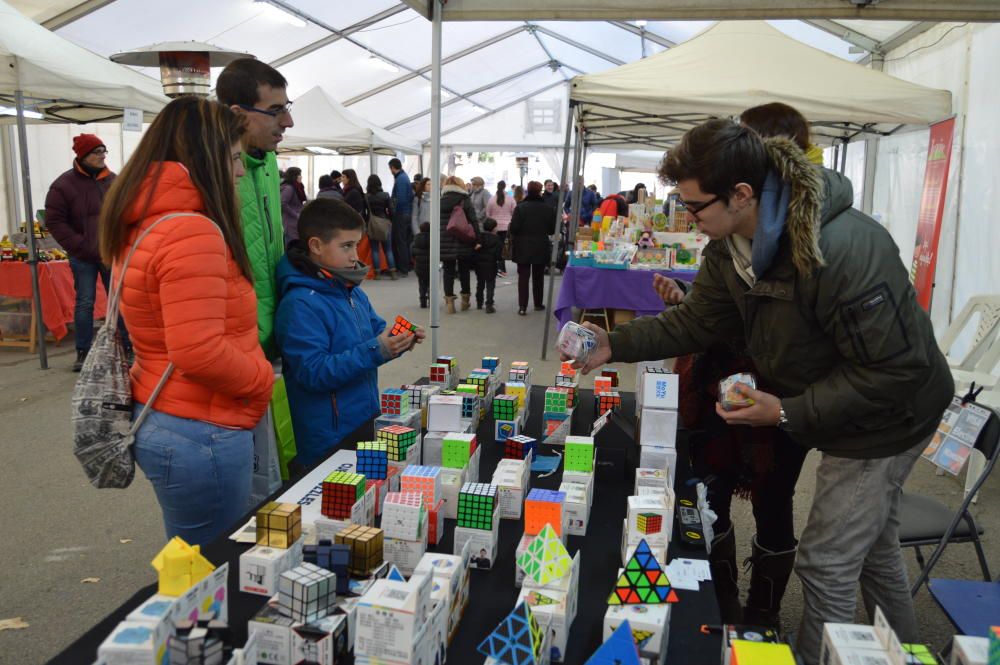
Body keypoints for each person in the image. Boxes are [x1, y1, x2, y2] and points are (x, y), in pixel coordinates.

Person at [568, 119, 954, 665]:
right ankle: (907, 651)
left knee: (826, 563)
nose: (690, 220)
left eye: (696, 207)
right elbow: (696, 322)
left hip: (889, 419)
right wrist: (614, 343)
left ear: (742, 194)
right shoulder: (732, 245)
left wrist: (787, 412)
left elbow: (896, 372)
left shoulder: (843, 248)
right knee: (872, 547)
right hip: (851, 401)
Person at [651, 102, 826, 628]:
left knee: (774, 500)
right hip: (720, 383)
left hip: (779, 394)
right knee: (711, 491)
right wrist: (686, 301)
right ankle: (723, 604)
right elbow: (720, 307)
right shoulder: (732, 233)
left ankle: (763, 612)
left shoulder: (812, 238)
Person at [98, 96, 274, 545]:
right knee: (206, 572)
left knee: (191, 560)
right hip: (201, 426)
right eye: (234, 158)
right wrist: (261, 378)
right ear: (205, 158)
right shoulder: (191, 230)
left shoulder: (144, 220)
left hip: (167, 410)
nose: (238, 172)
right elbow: (197, 350)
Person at [274, 198, 424, 466]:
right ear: (316, 245)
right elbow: (313, 372)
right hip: (326, 437)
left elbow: (376, 331)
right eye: (346, 246)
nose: (356, 256)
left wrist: (399, 339)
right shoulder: (300, 304)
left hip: (363, 418)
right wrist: (377, 349)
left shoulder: (348, 289)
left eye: (356, 245)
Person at [216, 58, 294, 359]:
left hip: (272, 339)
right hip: (235, 349)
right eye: (276, 111)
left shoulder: (268, 161)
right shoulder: (213, 171)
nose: (288, 121)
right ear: (237, 115)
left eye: (288, 107)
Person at [45, 133, 131, 371]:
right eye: (97, 152)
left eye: (104, 151)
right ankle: (82, 352)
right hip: (83, 255)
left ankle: (127, 348)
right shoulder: (63, 185)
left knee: (120, 302)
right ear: (82, 155)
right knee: (85, 303)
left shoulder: (113, 181)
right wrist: (79, 245)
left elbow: (125, 212)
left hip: (110, 253)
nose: (102, 155)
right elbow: (54, 221)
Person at [509, 181, 555, 316]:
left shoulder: (520, 207)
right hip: (540, 245)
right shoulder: (547, 208)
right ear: (540, 191)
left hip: (522, 245)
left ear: (527, 191)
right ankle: (538, 304)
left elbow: (514, 228)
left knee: (523, 277)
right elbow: (552, 230)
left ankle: (522, 306)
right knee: (538, 276)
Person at [439, 175, 481, 314]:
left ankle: (450, 303)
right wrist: (478, 239)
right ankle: (465, 301)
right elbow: (473, 221)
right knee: (464, 270)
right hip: (463, 240)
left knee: (448, 271)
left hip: (445, 240)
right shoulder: (465, 200)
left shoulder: (440, 201)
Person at [365, 174, 397, 280]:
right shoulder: (385, 195)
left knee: (375, 250)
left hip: (372, 224)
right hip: (384, 223)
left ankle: (377, 273)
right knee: (388, 249)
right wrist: (390, 220)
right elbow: (391, 210)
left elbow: (365, 213)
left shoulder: (366, 197)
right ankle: (393, 272)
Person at [388, 158, 413, 276]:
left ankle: (403, 268)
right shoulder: (403, 177)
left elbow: (401, 199)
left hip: (402, 214)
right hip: (405, 213)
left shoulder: (401, 179)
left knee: (401, 241)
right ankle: (406, 266)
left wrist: (394, 211)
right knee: (404, 241)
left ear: (393, 167)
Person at [485, 180, 515, 277]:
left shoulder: (491, 199)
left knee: (495, 248)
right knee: (503, 249)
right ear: (505, 187)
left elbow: (487, 214)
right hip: (507, 227)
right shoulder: (511, 199)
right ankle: (502, 269)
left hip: (494, 228)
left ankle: (498, 269)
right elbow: (515, 212)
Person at [474, 218, 502, 313]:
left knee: (480, 284)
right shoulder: (497, 239)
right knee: (490, 285)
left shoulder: (479, 237)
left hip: (479, 265)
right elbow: (499, 254)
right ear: (493, 228)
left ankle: (479, 303)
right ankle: (489, 305)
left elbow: (475, 250)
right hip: (491, 265)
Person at [279, 166, 306, 246]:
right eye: (300, 174)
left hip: (295, 222)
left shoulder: (297, 187)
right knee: (292, 246)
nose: (301, 176)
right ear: (295, 176)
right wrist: (296, 214)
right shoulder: (289, 188)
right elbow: (283, 203)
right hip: (290, 224)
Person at [411, 221, 431, 308]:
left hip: (419, 266)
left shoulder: (415, 240)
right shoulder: (433, 239)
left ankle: (423, 301)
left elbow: (412, 252)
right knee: (431, 283)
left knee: (422, 284)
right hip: (431, 266)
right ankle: (431, 299)